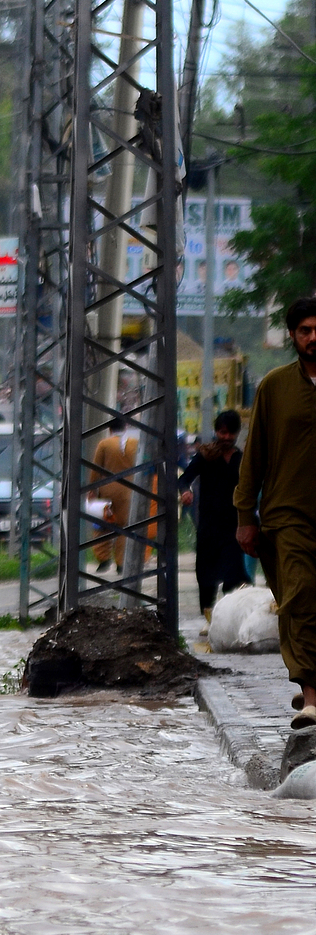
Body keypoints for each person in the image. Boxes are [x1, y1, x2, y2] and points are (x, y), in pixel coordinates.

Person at [236, 295, 316, 730]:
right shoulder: (274, 387)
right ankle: (311, 697)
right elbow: (255, 457)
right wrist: (245, 517)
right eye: (305, 331)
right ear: (292, 336)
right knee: (300, 596)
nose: (313, 338)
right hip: (287, 515)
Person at [181, 409, 248, 626]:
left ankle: (229, 620)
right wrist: (186, 491)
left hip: (233, 526)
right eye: (222, 432)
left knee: (233, 577)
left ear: (237, 433)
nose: (226, 437)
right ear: (216, 432)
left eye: (230, 433)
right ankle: (208, 619)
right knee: (207, 576)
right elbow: (184, 479)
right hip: (209, 525)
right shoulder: (206, 456)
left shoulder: (241, 459)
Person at [90, 415, 140, 571]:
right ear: (125, 428)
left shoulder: (104, 444)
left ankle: (104, 559)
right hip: (128, 491)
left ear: (110, 429)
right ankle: (121, 563)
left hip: (107, 490)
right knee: (124, 526)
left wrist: (92, 489)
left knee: (103, 525)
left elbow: (96, 468)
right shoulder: (135, 444)